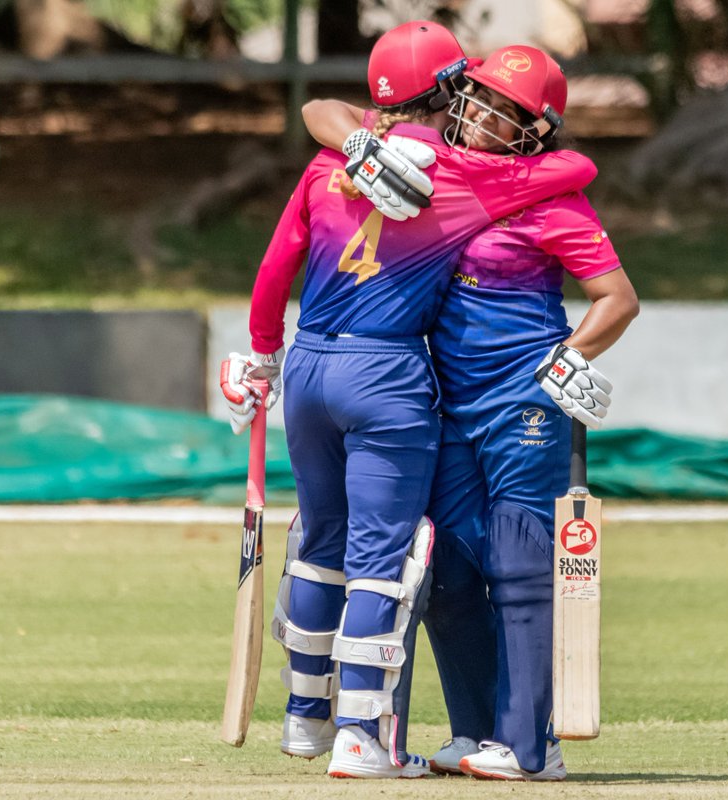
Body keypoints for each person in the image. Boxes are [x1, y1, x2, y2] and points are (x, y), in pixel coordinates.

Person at [221, 21, 600, 780]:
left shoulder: (330, 159)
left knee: (321, 542)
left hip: (309, 367)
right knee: (383, 555)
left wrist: (261, 355)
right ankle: (364, 737)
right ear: (452, 89)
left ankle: (305, 719)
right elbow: (573, 167)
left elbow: (277, 258)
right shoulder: (465, 176)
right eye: (472, 91)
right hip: (387, 376)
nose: (481, 110)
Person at [302, 45, 639, 782]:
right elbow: (319, 110)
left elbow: (618, 299)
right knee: (448, 566)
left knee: (518, 562)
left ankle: (531, 747)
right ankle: (477, 730)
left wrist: (569, 358)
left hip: (524, 397)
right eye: (479, 98)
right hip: (447, 399)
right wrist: (361, 145)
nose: (485, 116)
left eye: (506, 110)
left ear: (534, 129)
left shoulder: (555, 198)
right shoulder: (431, 163)